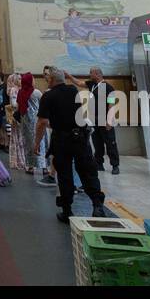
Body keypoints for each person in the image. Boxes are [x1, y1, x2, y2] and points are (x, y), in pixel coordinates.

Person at [35, 68, 107, 221]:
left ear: (51, 80)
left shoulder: (48, 96)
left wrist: (37, 143)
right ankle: (97, 204)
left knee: (64, 174)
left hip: (62, 139)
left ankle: (67, 210)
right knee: (87, 170)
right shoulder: (73, 90)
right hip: (80, 136)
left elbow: (41, 121)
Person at [88, 66, 121, 174]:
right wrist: (68, 75)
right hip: (94, 120)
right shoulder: (92, 85)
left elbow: (111, 105)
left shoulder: (109, 88)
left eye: (91, 73)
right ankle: (99, 164)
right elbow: (79, 83)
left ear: (97, 74)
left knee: (110, 143)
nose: (89, 75)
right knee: (97, 143)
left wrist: (109, 121)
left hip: (105, 120)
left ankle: (115, 165)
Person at [14, 73, 36, 174]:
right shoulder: (36, 93)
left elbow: (18, 107)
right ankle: (45, 167)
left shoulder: (20, 92)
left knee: (28, 144)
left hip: (25, 121)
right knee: (42, 143)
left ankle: (31, 166)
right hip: (37, 121)